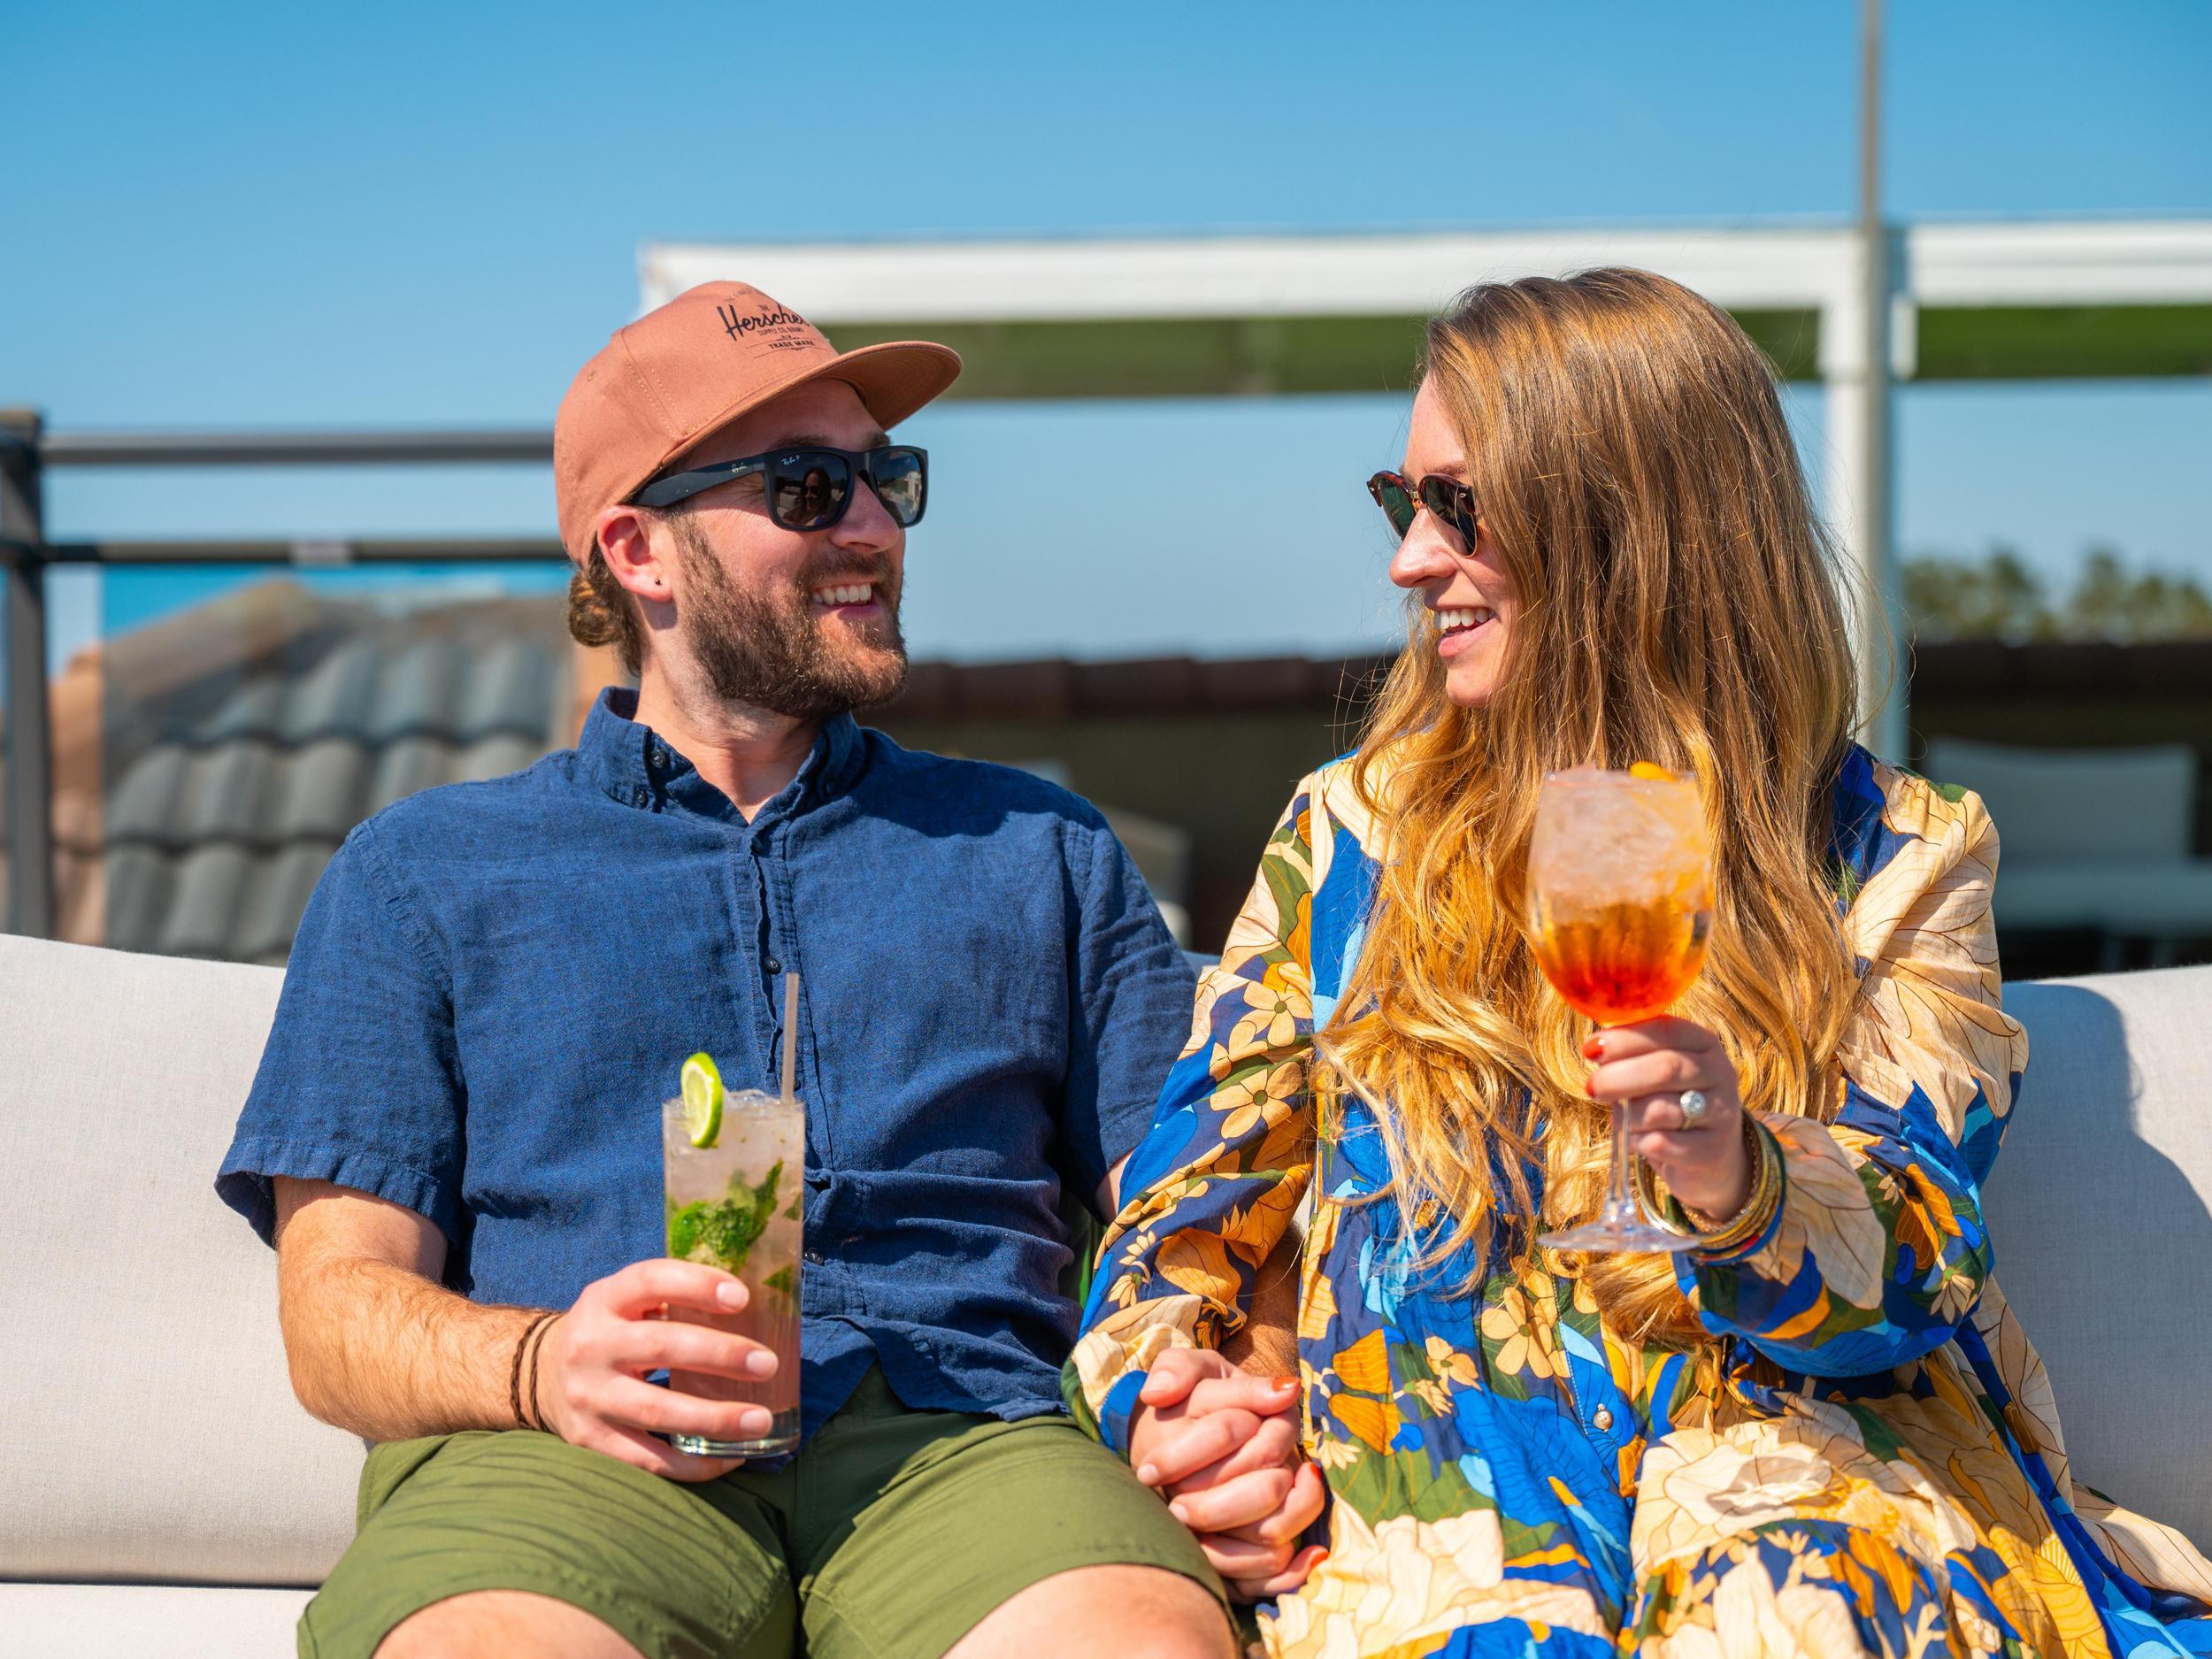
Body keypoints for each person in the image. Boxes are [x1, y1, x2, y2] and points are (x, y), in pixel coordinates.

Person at [1068, 268, 2212, 1657]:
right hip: (1456, 1547)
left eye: (1457, 506)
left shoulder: (1896, 851)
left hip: (1808, 1512)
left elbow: (1920, 1259)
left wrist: (1741, 1173)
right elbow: (1178, 1216)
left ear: (1627, 521)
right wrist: (1181, 1406)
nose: (1408, 562)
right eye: (1399, 502)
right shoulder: (1350, 835)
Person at [218, 280, 1242, 1659]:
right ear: (638, 548)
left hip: (964, 1440)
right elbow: (334, 1315)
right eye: (812, 487)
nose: (874, 524)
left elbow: (1195, 1212)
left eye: (887, 479)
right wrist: (541, 1364)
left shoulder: (1035, 849)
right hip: (572, 1461)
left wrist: (1233, 1376)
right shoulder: (426, 873)